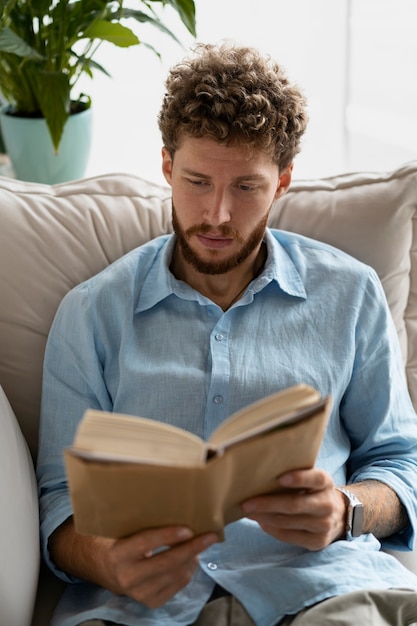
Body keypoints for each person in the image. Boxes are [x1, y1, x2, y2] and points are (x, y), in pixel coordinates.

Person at [37, 42, 417, 626]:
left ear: (283, 180)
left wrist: (347, 510)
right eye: (195, 181)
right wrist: (106, 561)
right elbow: (58, 499)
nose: (216, 215)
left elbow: (401, 461)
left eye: (245, 187)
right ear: (166, 165)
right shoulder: (90, 313)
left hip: (321, 591)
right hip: (143, 606)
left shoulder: (352, 294)